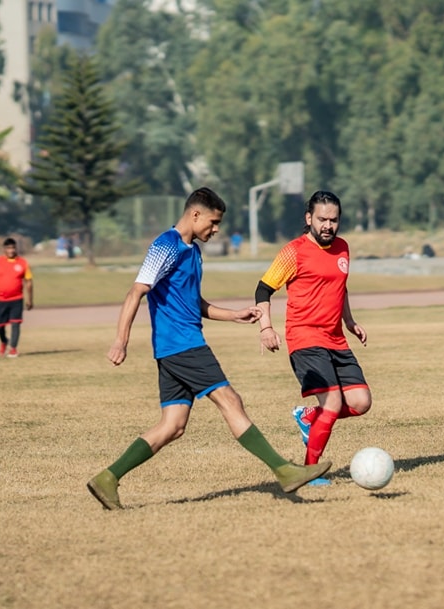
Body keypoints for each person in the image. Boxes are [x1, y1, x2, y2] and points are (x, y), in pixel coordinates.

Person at [86, 187, 330, 510]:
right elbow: (136, 292)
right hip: (183, 345)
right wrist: (121, 340)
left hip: (175, 348)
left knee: (173, 425)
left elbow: (194, 303)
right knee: (230, 400)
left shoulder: (193, 252)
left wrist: (233, 315)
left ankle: (107, 478)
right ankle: (284, 470)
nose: (215, 230)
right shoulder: (166, 246)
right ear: (195, 214)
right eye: (213, 223)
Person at [254, 190, 371, 487]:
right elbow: (263, 289)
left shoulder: (343, 248)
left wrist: (350, 321)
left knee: (360, 402)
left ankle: (309, 417)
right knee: (332, 403)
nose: (328, 226)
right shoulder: (293, 251)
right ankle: (309, 470)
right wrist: (266, 328)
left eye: (334, 220)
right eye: (322, 220)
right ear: (309, 219)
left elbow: (340, 287)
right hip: (305, 338)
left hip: (335, 339)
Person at [0, 237, 33, 358]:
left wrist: (30, 299)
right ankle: (4, 341)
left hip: (17, 299)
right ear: (4, 249)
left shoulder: (23, 262)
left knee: (15, 324)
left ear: (16, 248)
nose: (11, 250)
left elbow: (28, 282)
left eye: (13, 247)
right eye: (8, 248)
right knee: (0, 326)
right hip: (2, 300)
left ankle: (13, 348)